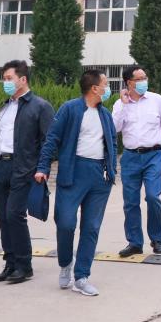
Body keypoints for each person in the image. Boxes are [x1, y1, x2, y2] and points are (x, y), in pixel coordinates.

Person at [35, 70, 118, 297]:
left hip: (99, 176)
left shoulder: (105, 114)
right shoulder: (70, 109)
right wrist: (42, 167)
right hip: (73, 171)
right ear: (94, 88)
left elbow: (112, 141)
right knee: (65, 223)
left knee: (91, 227)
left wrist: (111, 169)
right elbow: (52, 138)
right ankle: (65, 263)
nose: (108, 88)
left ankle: (82, 276)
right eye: (105, 84)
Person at [0, 60, 55, 284]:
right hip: (1, 166)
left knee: (14, 215)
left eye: (9, 79)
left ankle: (24, 265)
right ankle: (10, 263)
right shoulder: (4, 107)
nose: (5, 83)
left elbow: (49, 141)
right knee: (3, 217)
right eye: (4, 79)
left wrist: (42, 168)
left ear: (23, 79)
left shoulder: (40, 106)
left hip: (24, 168)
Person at [113, 65, 161, 257]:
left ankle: (157, 239)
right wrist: (123, 105)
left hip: (153, 155)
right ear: (128, 82)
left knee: (153, 196)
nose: (143, 81)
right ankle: (134, 243)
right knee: (130, 201)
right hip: (130, 157)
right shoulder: (120, 104)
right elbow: (115, 128)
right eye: (139, 79)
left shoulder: (156, 100)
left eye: (145, 77)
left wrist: (159, 143)